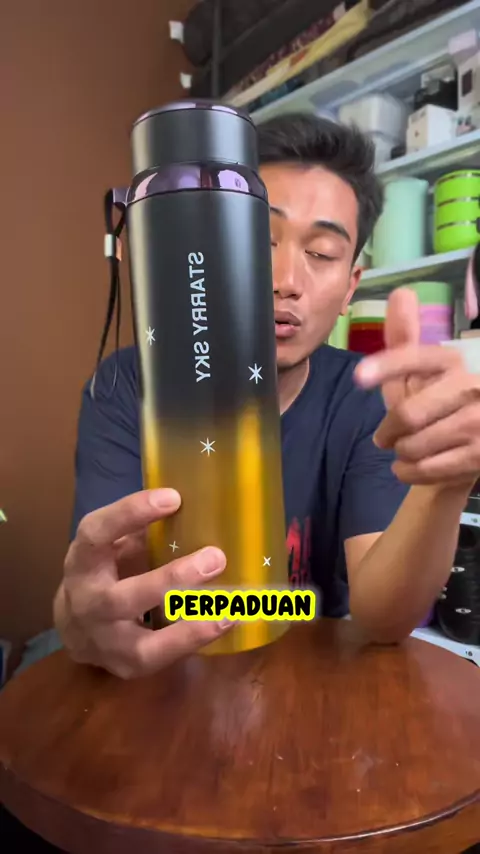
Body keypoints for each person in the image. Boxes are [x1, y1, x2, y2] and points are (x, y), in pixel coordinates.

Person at [54, 113, 480, 679]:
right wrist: (77, 617)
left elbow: (382, 619)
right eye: (259, 238)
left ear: (351, 287)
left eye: (321, 253)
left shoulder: (365, 396)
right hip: (168, 681)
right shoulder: (126, 386)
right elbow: (99, 592)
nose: (285, 280)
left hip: (307, 681)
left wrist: (443, 486)